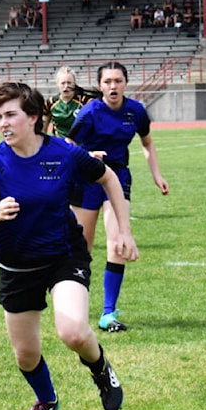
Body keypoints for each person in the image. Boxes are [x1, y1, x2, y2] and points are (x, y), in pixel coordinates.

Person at [0, 81, 138, 410]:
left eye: (10, 114)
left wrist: (123, 231)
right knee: (26, 356)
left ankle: (100, 369)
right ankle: (47, 400)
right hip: (16, 267)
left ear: (33, 117)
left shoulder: (63, 153)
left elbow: (109, 178)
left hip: (63, 257)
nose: (3, 122)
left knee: (73, 331)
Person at [66, 61, 169, 332]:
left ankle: (108, 315)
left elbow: (147, 143)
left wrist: (156, 175)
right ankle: (77, 311)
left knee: (118, 243)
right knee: (82, 248)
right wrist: (87, 157)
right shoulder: (88, 113)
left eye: (118, 81)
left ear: (125, 83)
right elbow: (69, 147)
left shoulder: (135, 111)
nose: (113, 86)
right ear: (100, 85)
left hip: (118, 177)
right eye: (108, 81)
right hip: (86, 177)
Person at [42, 65, 102, 138]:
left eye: (69, 83)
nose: (66, 86)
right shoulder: (50, 103)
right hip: (60, 145)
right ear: (57, 83)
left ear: (74, 84)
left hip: (80, 146)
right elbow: (43, 131)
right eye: (63, 83)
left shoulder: (85, 101)